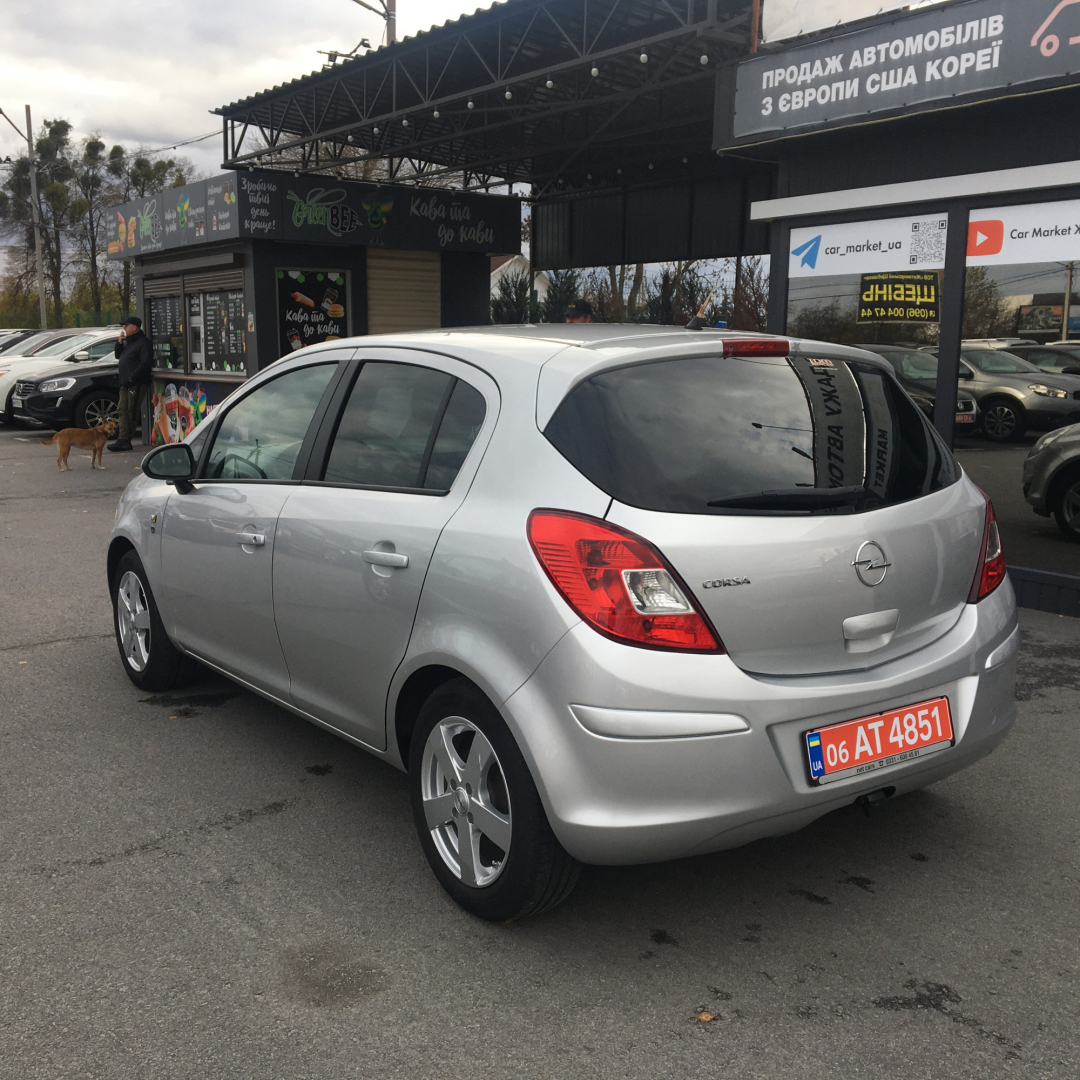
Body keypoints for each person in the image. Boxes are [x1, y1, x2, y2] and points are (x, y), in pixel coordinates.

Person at [108, 316, 153, 452]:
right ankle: (122, 437)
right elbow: (118, 355)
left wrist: (132, 377)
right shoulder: (130, 342)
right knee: (122, 409)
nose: (124, 329)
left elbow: (145, 363)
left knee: (130, 410)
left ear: (134, 327)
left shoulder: (143, 343)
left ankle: (126, 439)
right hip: (125, 382)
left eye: (126, 326)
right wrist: (119, 343)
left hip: (136, 383)